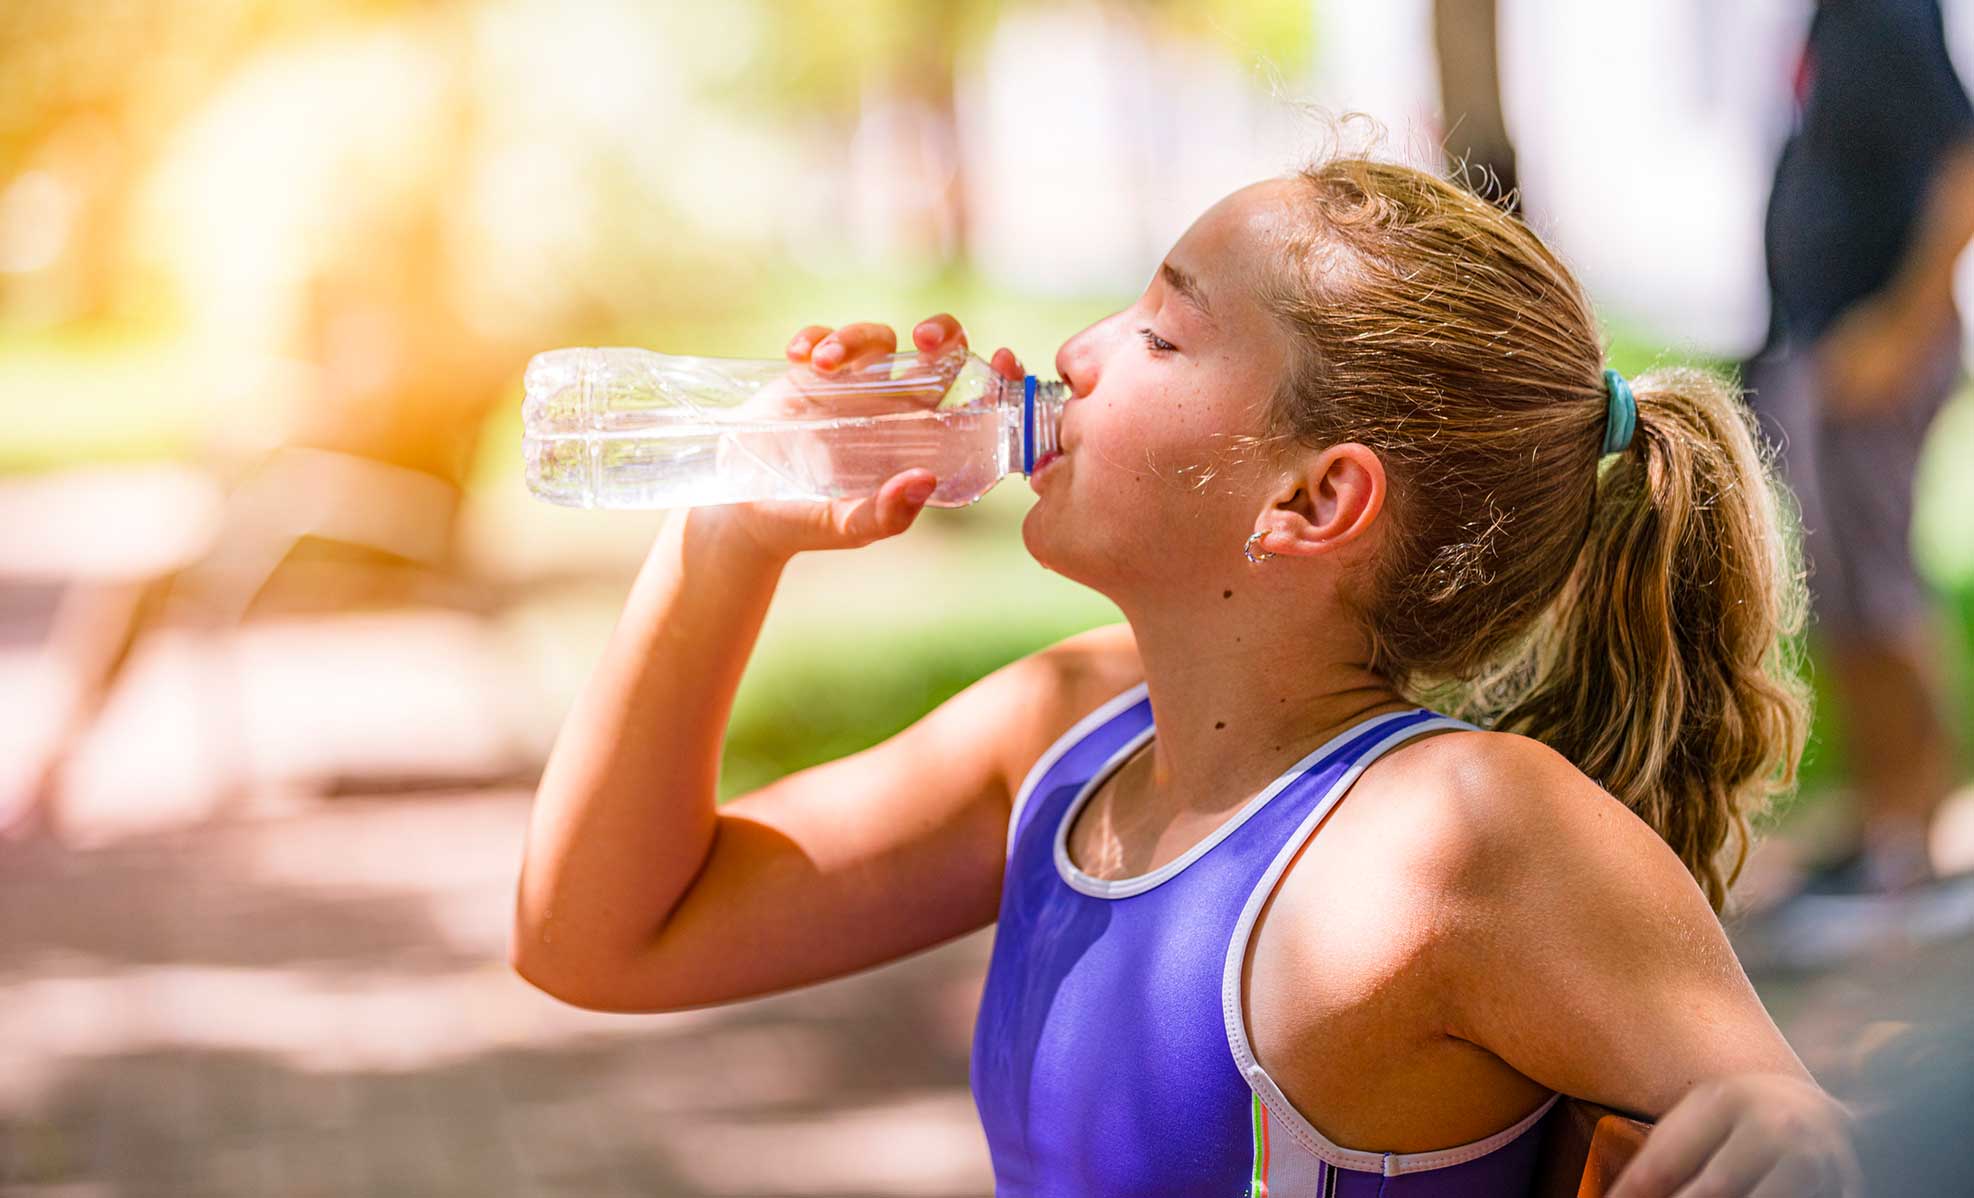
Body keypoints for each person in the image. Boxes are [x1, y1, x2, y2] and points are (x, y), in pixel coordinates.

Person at [512, 155, 1858, 1194]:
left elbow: (1798, 1132)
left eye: (1159, 333)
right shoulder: (1067, 736)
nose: (1075, 351)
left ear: (1314, 497)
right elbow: (601, 935)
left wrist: (1792, 1122)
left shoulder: (1458, 834)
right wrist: (732, 529)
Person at [1744, 0, 1974, 904]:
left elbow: (1963, 163)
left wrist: (1899, 326)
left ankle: (1919, 828)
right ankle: (1886, 818)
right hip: (1815, 342)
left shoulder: (1882, 9)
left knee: (1878, 589)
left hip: (1871, 344)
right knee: (1838, 591)